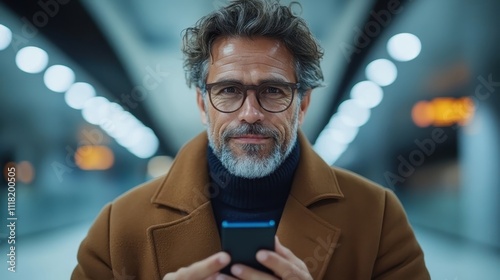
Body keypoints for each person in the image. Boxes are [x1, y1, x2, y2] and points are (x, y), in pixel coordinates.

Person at [72, 0, 430, 279]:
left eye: (273, 91)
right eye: (229, 90)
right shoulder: (118, 226)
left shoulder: (377, 217)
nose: (250, 114)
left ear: (302, 104)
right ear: (202, 104)